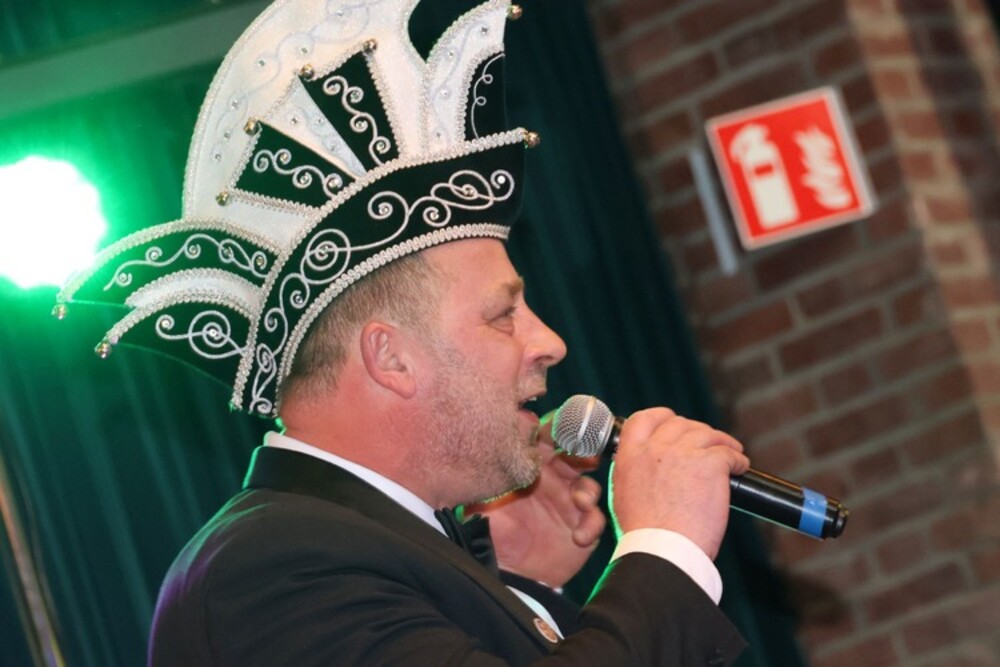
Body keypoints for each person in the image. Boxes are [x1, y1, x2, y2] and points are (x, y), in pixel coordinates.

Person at [55, 1, 750, 664]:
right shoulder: (271, 568)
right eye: (502, 314)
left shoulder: (355, 547)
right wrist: (665, 548)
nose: (550, 342)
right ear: (391, 357)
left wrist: (521, 588)